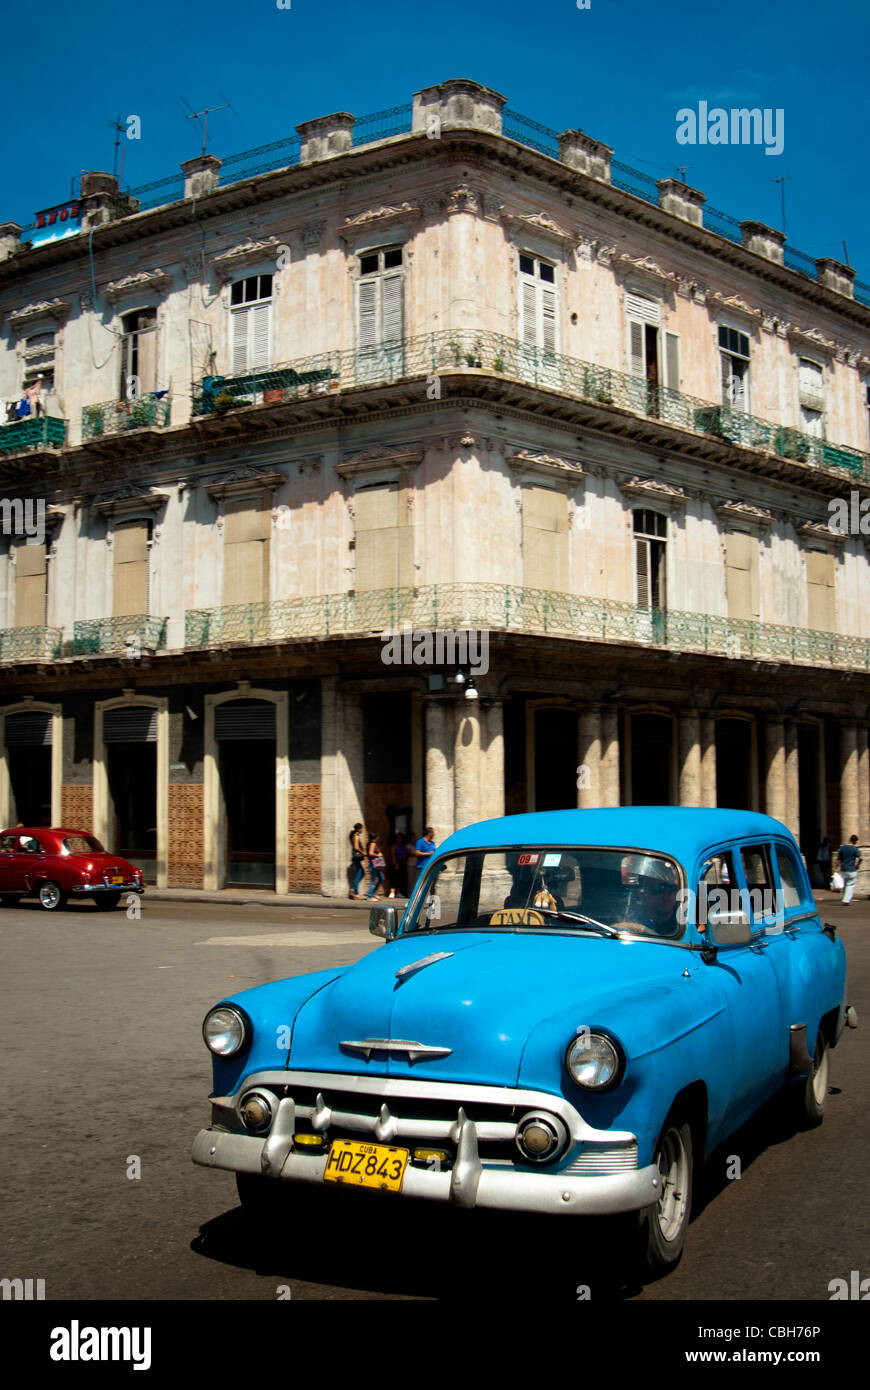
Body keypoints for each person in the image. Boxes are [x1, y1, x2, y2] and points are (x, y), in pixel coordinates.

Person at [619, 854, 682, 937]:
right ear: (642, 893)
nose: (666, 895)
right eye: (657, 889)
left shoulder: (684, 923)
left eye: (671, 888)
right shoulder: (629, 922)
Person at [836, 834, 862, 905]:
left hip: (843, 869)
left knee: (845, 885)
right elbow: (861, 858)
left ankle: (845, 898)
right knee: (850, 885)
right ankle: (846, 900)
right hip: (851, 869)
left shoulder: (842, 848)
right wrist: (857, 865)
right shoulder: (854, 849)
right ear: (855, 841)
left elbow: (838, 859)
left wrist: (835, 868)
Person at [366, 834, 386, 900]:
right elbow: (371, 853)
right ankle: (370, 896)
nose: (379, 838)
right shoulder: (373, 843)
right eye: (378, 836)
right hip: (373, 864)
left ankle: (374, 893)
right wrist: (378, 855)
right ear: (376, 837)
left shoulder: (372, 843)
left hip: (375, 864)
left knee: (381, 878)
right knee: (372, 880)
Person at [348, 822, 365, 899]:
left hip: (355, 858)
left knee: (361, 872)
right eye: (361, 828)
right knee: (360, 873)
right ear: (359, 829)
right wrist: (363, 853)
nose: (362, 830)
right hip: (357, 857)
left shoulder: (354, 835)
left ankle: (354, 890)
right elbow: (356, 847)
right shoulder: (356, 836)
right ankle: (355, 891)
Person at [389, 832, 408, 898]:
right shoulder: (394, 845)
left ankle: (398, 892)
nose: (399, 839)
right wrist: (396, 864)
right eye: (398, 838)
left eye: (401, 838)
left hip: (402, 863)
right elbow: (392, 855)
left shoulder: (403, 845)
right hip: (395, 863)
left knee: (400, 879)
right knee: (394, 878)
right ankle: (392, 892)